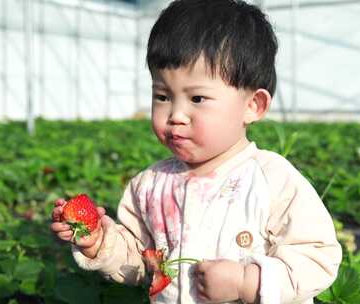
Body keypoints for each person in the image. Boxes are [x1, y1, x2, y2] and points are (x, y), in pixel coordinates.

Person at [50, 0, 342, 303]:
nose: (176, 114)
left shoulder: (273, 180)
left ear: (253, 106)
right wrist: (99, 244)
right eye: (162, 95)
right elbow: (141, 263)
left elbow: (318, 256)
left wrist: (249, 281)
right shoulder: (149, 185)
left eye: (198, 98)